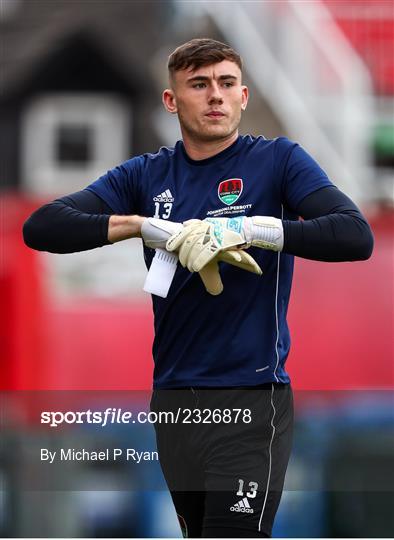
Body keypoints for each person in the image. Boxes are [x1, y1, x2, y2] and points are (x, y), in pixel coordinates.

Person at [23, 38, 373, 538]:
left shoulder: (278, 162)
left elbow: (354, 235)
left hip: (252, 399)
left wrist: (252, 229)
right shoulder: (147, 174)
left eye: (227, 84)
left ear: (244, 95)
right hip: (175, 401)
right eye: (199, 84)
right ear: (172, 101)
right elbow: (44, 226)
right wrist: (142, 227)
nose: (215, 96)